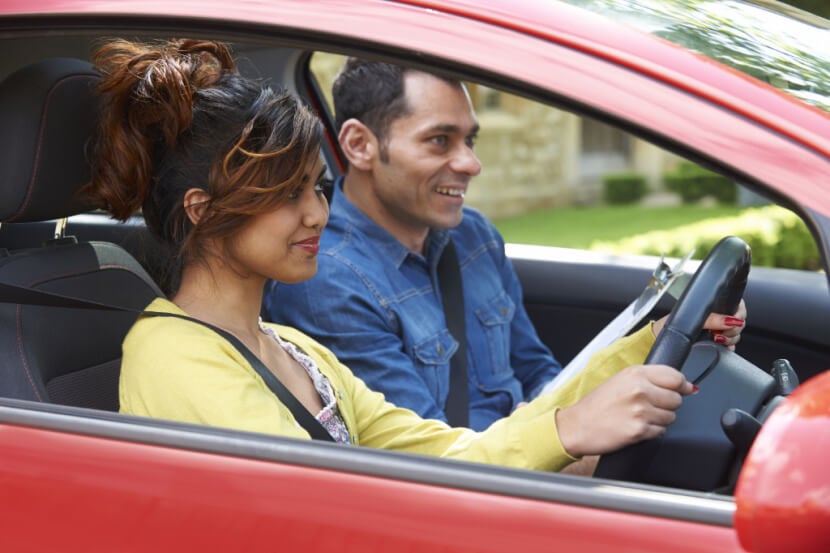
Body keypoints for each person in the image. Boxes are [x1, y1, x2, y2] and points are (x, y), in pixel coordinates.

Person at [82, 37, 717, 473]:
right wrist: (567, 434)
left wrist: (645, 346)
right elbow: (303, 511)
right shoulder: (171, 352)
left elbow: (452, 457)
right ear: (201, 208)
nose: (317, 214)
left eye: (316, 187)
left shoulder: (295, 349)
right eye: (285, 194)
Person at [265, 58, 747, 430]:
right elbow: (426, 458)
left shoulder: (473, 235)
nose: (471, 164)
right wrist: (577, 438)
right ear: (358, 145)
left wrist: (663, 345)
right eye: (439, 141)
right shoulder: (326, 279)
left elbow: (538, 372)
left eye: (469, 140)